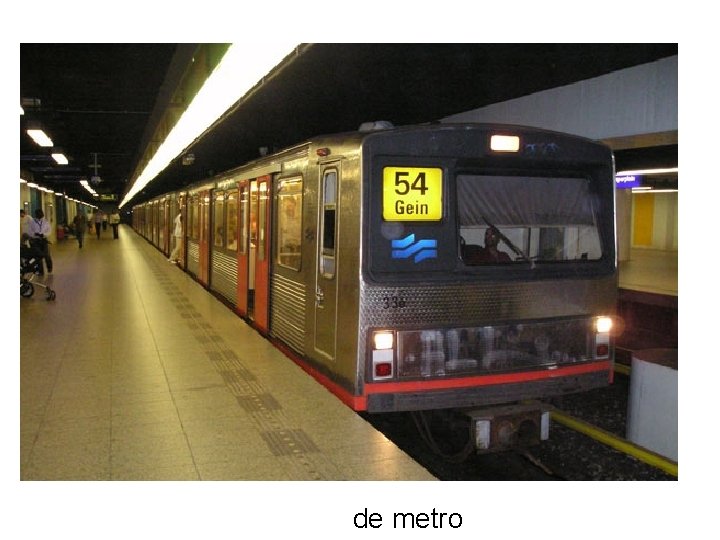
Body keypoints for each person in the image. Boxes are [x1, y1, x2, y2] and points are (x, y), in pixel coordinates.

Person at [27, 209, 53, 275]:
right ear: (36, 215)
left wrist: (44, 234)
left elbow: (49, 230)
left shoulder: (45, 221)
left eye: (41, 214)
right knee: (38, 256)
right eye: (38, 215)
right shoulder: (32, 222)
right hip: (35, 241)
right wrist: (34, 234)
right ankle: (41, 271)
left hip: (44, 240)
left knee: (47, 255)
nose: (40, 216)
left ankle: (49, 268)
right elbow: (29, 231)